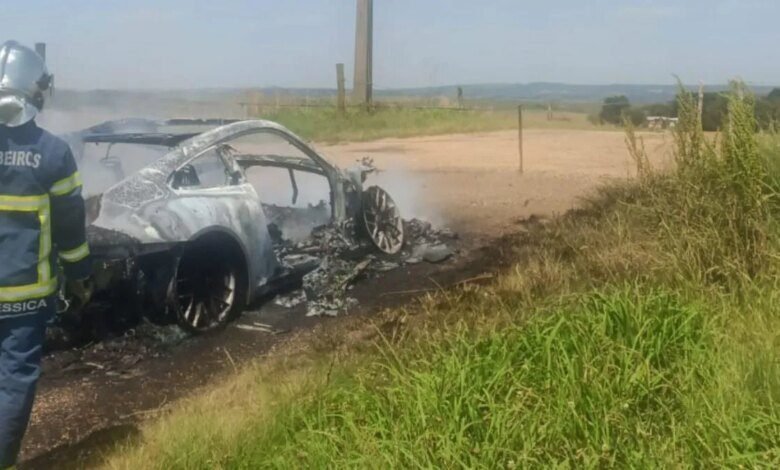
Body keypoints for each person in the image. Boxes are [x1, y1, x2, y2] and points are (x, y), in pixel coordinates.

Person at [0, 41, 91, 468]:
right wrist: (80, 275)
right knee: (14, 383)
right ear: (34, 90)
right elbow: (71, 231)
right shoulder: (53, 153)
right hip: (24, 297)